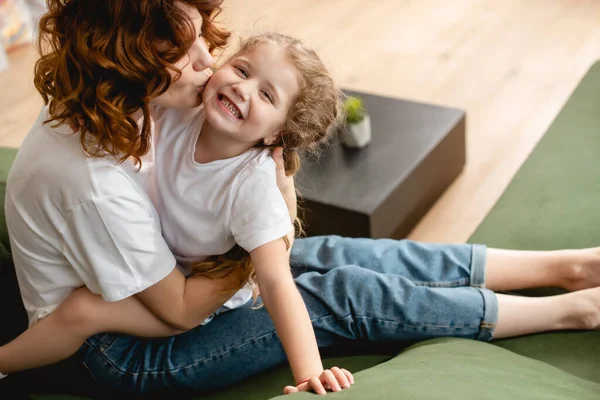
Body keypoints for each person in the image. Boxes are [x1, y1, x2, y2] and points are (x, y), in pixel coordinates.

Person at [4, 0, 600, 396]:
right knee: (333, 291)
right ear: (135, 68)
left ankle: (562, 266)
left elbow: (267, 195)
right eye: (190, 59)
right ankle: (564, 310)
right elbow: (183, 310)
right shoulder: (96, 177)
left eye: (205, 48)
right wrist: (308, 371)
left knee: (338, 250)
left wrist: (277, 204)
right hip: (128, 349)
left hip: (171, 276)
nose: (211, 67)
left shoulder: (134, 103)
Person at [0, 30, 356, 394]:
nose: (242, 89)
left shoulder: (252, 184)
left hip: (196, 297)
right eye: (242, 70)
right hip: (162, 268)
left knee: (81, 311)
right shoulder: (183, 109)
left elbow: (276, 281)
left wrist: (309, 372)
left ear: (275, 135)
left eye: (266, 95)